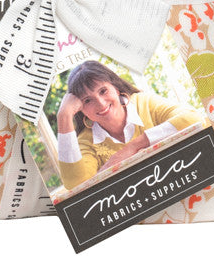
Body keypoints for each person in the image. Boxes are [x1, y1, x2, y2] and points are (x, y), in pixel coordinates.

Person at [56, 59, 206, 191]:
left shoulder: (144, 103)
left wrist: (131, 149)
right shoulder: (86, 141)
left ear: (115, 88)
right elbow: (76, 186)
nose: (100, 103)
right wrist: (64, 116)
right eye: (87, 100)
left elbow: (194, 119)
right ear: (81, 109)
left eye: (103, 91)